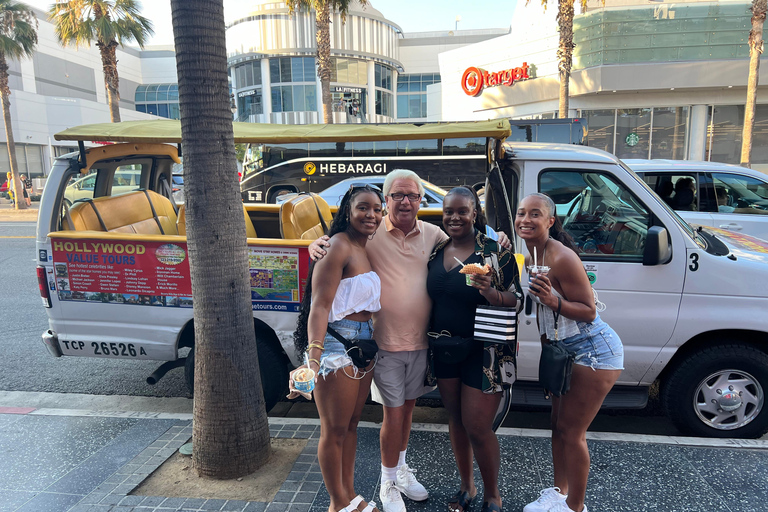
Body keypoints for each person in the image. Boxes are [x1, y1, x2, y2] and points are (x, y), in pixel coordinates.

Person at [310, 170, 511, 512]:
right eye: (397, 196)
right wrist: (313, 243)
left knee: (407, 411)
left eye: (412, 196)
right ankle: (386, 483)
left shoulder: (434, 235)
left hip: (422, 343)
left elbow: (467, 232)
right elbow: (334, 245)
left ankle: (399, 471)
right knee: (390, 414)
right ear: (386, 199)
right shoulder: (368, 234)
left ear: (421, 201)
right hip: (382, 343)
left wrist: (498, 236)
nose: (405, 202)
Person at [517, 193, 623, 512]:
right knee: (557, 425)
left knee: (571, 432)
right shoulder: (530, 252)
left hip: (594, 353)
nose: (526, 219)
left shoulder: (561, 257)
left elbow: (589, 312)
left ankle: (575, 506)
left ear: (550, 221)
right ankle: (558, 492)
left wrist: (554, 302)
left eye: (535, 214)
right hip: (565, 352)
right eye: (522, 213)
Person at [288, 185, 385, 512]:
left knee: (352, 424)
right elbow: (319, 306)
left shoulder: (365, 246)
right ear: (347, 210)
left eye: (376, 208)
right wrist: (313, 360)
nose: (370, 214)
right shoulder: (337, 247)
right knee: (334, 430)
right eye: (363, 207)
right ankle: (337, 504)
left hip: (363, 341)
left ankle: (350, 494)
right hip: (335, 343)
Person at [425, 186, 520, 512]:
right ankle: (467, 485)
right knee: (456, 419)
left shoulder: (494, 252)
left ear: (475, 214)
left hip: (486, 352)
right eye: (448, 211)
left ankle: (493, 494)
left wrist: (492, 293)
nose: (454, 217)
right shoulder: (437, 251)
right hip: (446, 348)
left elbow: (517, 300)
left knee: (478, 426)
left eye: (462, 211)